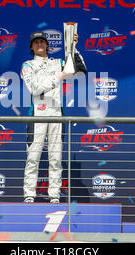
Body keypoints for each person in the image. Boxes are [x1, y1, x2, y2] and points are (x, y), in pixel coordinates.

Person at [20, 31, 86, 203]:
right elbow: (34, 89)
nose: (39, 44)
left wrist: (73, 48)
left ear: (48, 45)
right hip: (36, 115)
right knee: (33, 158)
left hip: (57, 114)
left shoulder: (59, 62)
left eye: (42, 41)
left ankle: (54, 196)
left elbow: (80, 72)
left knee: (56, 159)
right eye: (36, 42)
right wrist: (59, 77)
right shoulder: (27, 65)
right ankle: (29, 196)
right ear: (31, 47)